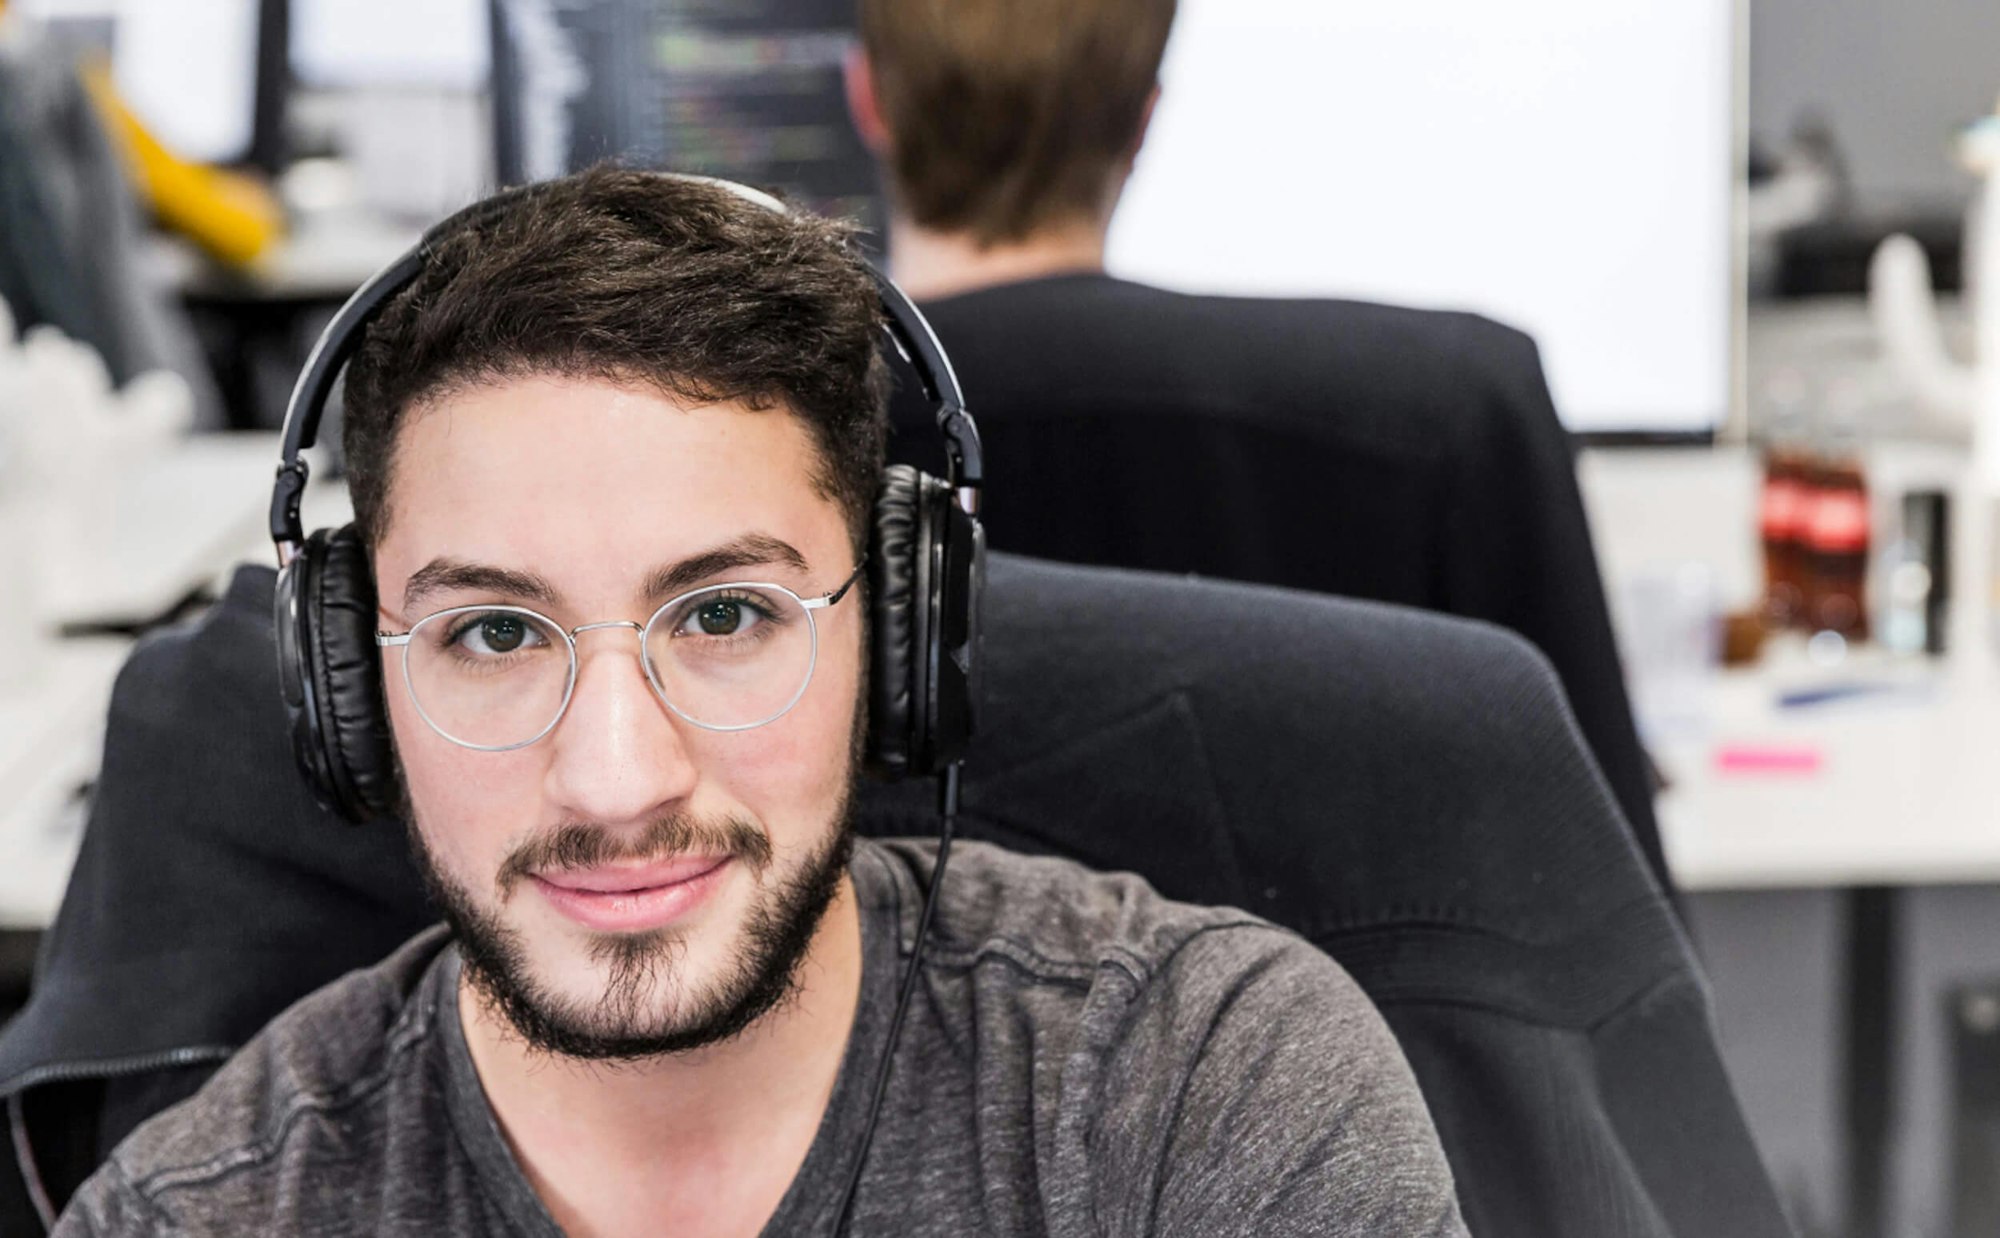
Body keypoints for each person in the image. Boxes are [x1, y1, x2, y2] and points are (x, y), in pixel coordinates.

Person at [53, 169, 1466, 1236]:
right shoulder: (195, 1214)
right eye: (494, 630)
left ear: (902, 635)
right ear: (349, 681)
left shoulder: (1200, 1094)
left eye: (724, 615)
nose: (616, 778)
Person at [845, 0, 1675, 904]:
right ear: (1145, 120)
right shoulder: (1448, 407)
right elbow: (1614, 927)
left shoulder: (762, 436)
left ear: (868, 101)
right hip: (1359, 1044)